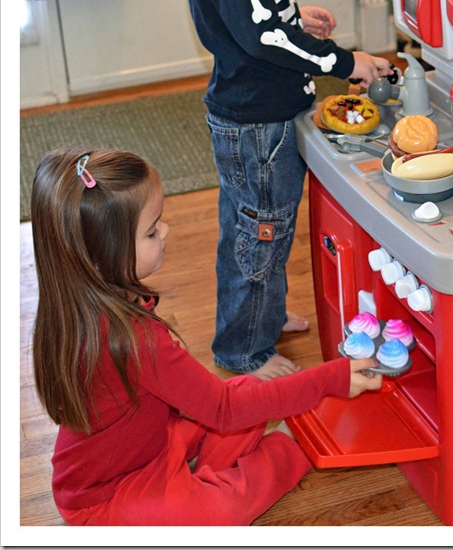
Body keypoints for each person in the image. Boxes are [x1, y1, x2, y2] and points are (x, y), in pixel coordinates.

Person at [30, 148, 383, 526]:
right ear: (101, 257)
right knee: (221, 508)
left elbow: (213, 404)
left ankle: (198, 477)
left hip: (154, 444)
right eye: (151, 231)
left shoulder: (85, 302)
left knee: (245, 393)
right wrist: (330, 378)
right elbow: (223, 410)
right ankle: (288, 447)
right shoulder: (132, 340)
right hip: (104, 496)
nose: (165, 231)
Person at [182, 0, 392, 379]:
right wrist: (347, 61)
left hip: (251, 112)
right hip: (258, 122)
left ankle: (261, 316)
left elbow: (247, 8)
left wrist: (291, 17)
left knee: (251, 231)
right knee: (262, 236)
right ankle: (245, 350)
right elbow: (262, 36)